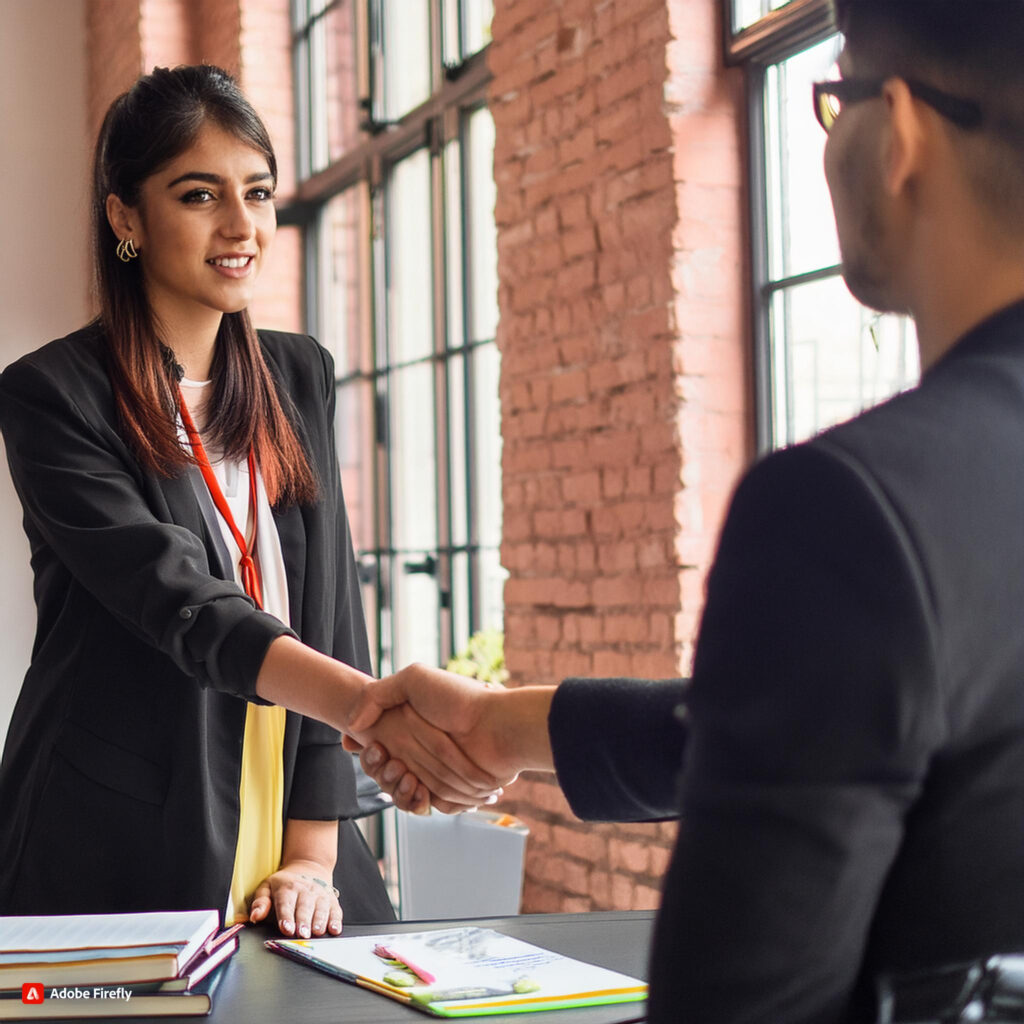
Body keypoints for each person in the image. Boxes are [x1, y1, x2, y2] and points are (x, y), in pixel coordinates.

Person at [351, 0, 1024, 1020]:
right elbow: (845, 711)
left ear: (903, 134)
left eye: (835, 96)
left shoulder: (850, 507)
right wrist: (502, 726)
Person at [0, 64, 496, 938]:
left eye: (258, 193)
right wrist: (370, 709)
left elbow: (331, 607)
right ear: (125, 216)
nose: (241, 227)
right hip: (118, 820)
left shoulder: (297, 373)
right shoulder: (52, 396)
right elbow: (182, 604)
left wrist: (312, 853)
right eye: (199, 196)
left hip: (292, 788)